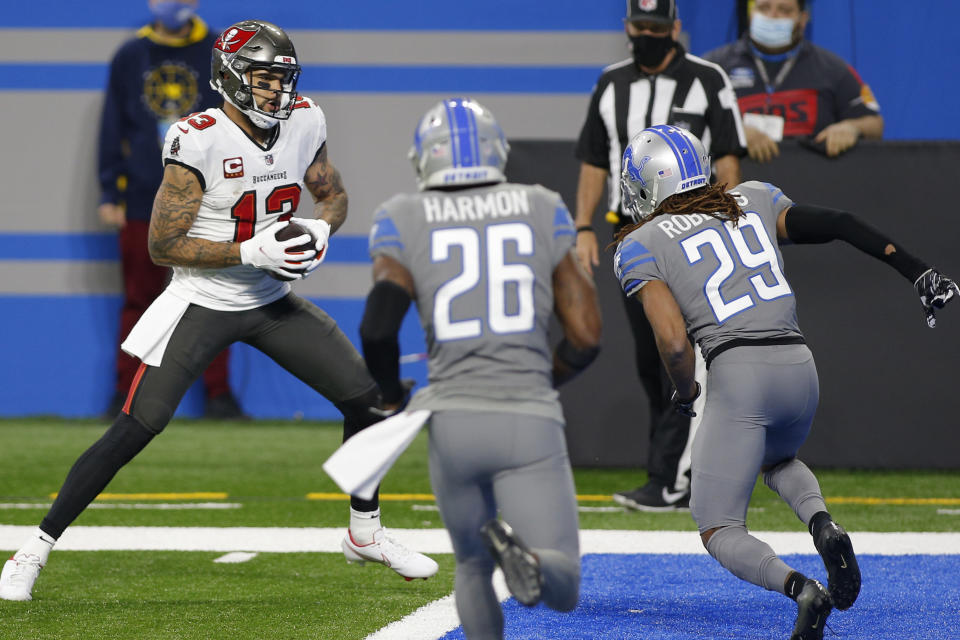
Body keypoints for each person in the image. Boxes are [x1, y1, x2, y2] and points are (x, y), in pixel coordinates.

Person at [0, 19, 437, 603]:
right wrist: (248, 249)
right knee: (136, 427)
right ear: (230, 77)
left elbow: (331, 194)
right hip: (202, 301)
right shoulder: (196, 137)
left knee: (366, 401)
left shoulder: (305, 119)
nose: (275, 92)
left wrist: (318, 227)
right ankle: (33, 548)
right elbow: (162, 245)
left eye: (282, 79)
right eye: (263, 78)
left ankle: (366, 532)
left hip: (270, 301)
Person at [613, 125, 957, 638]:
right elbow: (841, 223)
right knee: (777, 459)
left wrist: (686, 395)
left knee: (719, 526)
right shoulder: (752, 197)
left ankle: (801, 590)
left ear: (645, 185)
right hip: (800, 366)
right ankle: (824, 526)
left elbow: (675, 343)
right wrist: (918, 272)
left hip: (738, 373)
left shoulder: (640, 242)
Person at [360, 97, 602, 638]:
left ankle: (504, 559)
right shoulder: (540, 204)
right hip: (527, 416)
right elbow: (586, 336)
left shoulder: (401, 214)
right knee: (562, 586)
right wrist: (547, 376)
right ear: (498, 152)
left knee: (471, 568)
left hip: (452, 419)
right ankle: (534, 565)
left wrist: (393, 397)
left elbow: (376, 329)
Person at [574, 0, 747, 511]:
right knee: (655, 360)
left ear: (675, 27)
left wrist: (726, 223)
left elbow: (730, 159)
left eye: (656, 26)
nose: (647, 34)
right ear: (627, 26)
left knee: (684, 351)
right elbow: (592, 159)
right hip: (630, 231)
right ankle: (675, 469)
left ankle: (676, 476)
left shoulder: (708, 79)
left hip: (689, 229)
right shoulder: (610, 83)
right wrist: (584, 225)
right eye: (639, 26)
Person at [98, 0, 246, 419]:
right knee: (138, 301)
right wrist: (110, 192)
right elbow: (113, 126)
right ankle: (126, 394)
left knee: (217, 300)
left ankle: (218, 396)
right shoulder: (130, 55)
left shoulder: (220, 51)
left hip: (211, 200)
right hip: (144, 199)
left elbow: (236, 121)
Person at [704, 0, 883, 162]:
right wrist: (734, 133)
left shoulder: (833, 69)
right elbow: (684, 128)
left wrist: (851, 127)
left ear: (802, 19)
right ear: (751, 13)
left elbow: (875, 124)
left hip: (812, 185)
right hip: (736, 185)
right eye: (763, 7)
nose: (772, 16)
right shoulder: (714, 67)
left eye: (784, 10)